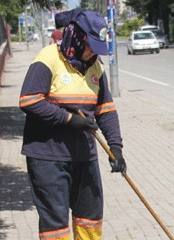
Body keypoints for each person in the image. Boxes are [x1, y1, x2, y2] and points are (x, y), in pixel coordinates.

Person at [19, 8, 126, 240]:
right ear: (76, 37)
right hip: (48, 157)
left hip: (84, 157)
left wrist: (116, 147)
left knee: (90, 219)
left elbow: (105, 110)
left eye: (96, 50)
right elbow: (29, 100)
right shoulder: (48, 59)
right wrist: (68, 119)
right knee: (56, 225)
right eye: (89, 48)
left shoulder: (96, 67)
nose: (91, 54)